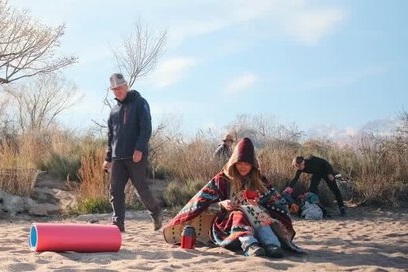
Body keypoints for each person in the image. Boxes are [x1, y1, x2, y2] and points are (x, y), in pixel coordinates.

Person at [163, 138, 306, 257]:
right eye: (240, 163)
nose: (243, 167)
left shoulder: (260, 180)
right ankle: (250, 245)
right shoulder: (221, 179)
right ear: (234, 163)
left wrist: (259, 204)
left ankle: (272, 245)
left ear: (253, 165)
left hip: (257, 223)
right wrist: (221, 204)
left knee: (256, 212)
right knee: (239, 213)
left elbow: (278, 203)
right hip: (227, 228)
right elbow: (201, 204)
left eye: (247, 164)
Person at [102, 73, 162, 233]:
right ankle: (118, 224)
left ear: (126, 86)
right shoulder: (113, 111)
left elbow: (146, 128)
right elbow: (110, 136)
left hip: (135, 156)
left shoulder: (140, 103)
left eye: (120, 87)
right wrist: (108, 157)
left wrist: (140, 149)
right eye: (114, 89)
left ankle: (156, 212)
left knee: (141, 188)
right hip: (118, 158)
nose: (117, 91)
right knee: (115, 190)